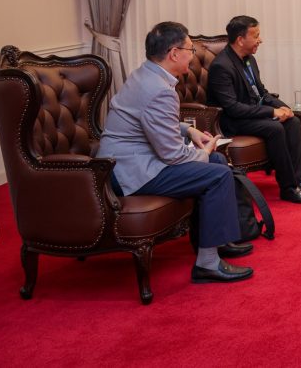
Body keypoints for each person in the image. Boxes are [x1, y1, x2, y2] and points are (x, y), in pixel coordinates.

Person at [99, 21, 253, 284]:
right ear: (174, 53)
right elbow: (173, 155)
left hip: (130, 160)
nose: (192, 55)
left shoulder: (146, 74)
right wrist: (204, 151)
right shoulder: (158, 89)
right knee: (217, 174)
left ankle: (214, 243)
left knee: (216, 160)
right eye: (190, 50)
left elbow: (150, 121)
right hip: (131, 171)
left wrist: (189, 131)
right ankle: (207, 265)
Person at [207, 15, 301, 204]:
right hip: (232, 121)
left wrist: (283, 108)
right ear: (240, 40)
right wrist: (271, 112)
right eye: (256, 36)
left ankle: (299, 181)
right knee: (275, 128)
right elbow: (233, 108)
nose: (260, 40)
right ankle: (288, 188)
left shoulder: (249, 60)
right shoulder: (221, 66)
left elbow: (261, 93)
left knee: (293, 121)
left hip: (251, 115)